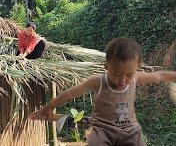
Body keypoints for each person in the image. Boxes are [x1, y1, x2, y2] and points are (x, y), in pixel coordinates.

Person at [30, 37, 176, 146]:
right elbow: (70, 93)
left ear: (137, 68)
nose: (122, 81)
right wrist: (50, 106)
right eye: (116, 74)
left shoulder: (136, 78)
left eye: (129, 75)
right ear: (106, 66)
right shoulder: (98, 81)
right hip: (103, 131)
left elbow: (159, 76)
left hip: (130, 131)